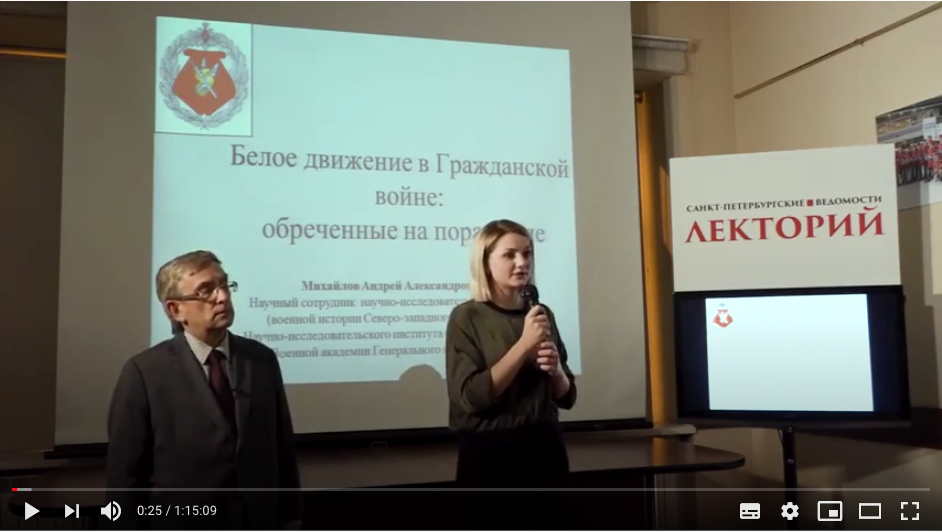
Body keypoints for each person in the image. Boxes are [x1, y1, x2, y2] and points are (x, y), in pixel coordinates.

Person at [106, 250, 300, 527]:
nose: (222, 297)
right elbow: (124, 477)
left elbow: (283, 450)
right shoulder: (144, 373)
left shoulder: (261, 360)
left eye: (224, 285)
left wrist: (291, 519)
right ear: (175, 309)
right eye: (206, 290)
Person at [445, 219, 577, 487]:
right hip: (490, 455)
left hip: (546, 449)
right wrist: (524, 345)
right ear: (485, 262)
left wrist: (556, 371)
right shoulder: (466, 317)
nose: (522, 262)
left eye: (527, 254)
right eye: (510, 255)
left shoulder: (540, 313)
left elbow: (567, 397)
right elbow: (471, 398)